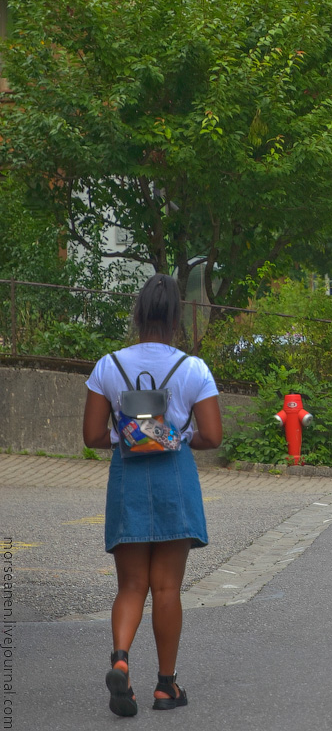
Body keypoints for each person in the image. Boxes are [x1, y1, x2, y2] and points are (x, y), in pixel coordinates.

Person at [83, 274, 222, 717]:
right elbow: (213, 436)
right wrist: (173, 438)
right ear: (176, 317)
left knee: (130, 585)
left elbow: (91, 436)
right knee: (166, 587)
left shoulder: (108, 365)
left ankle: (121, 658)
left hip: (128, 477)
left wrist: (132, 435)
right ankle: (166, 686)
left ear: (139, 314)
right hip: (174, 478)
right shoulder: (193, 368)